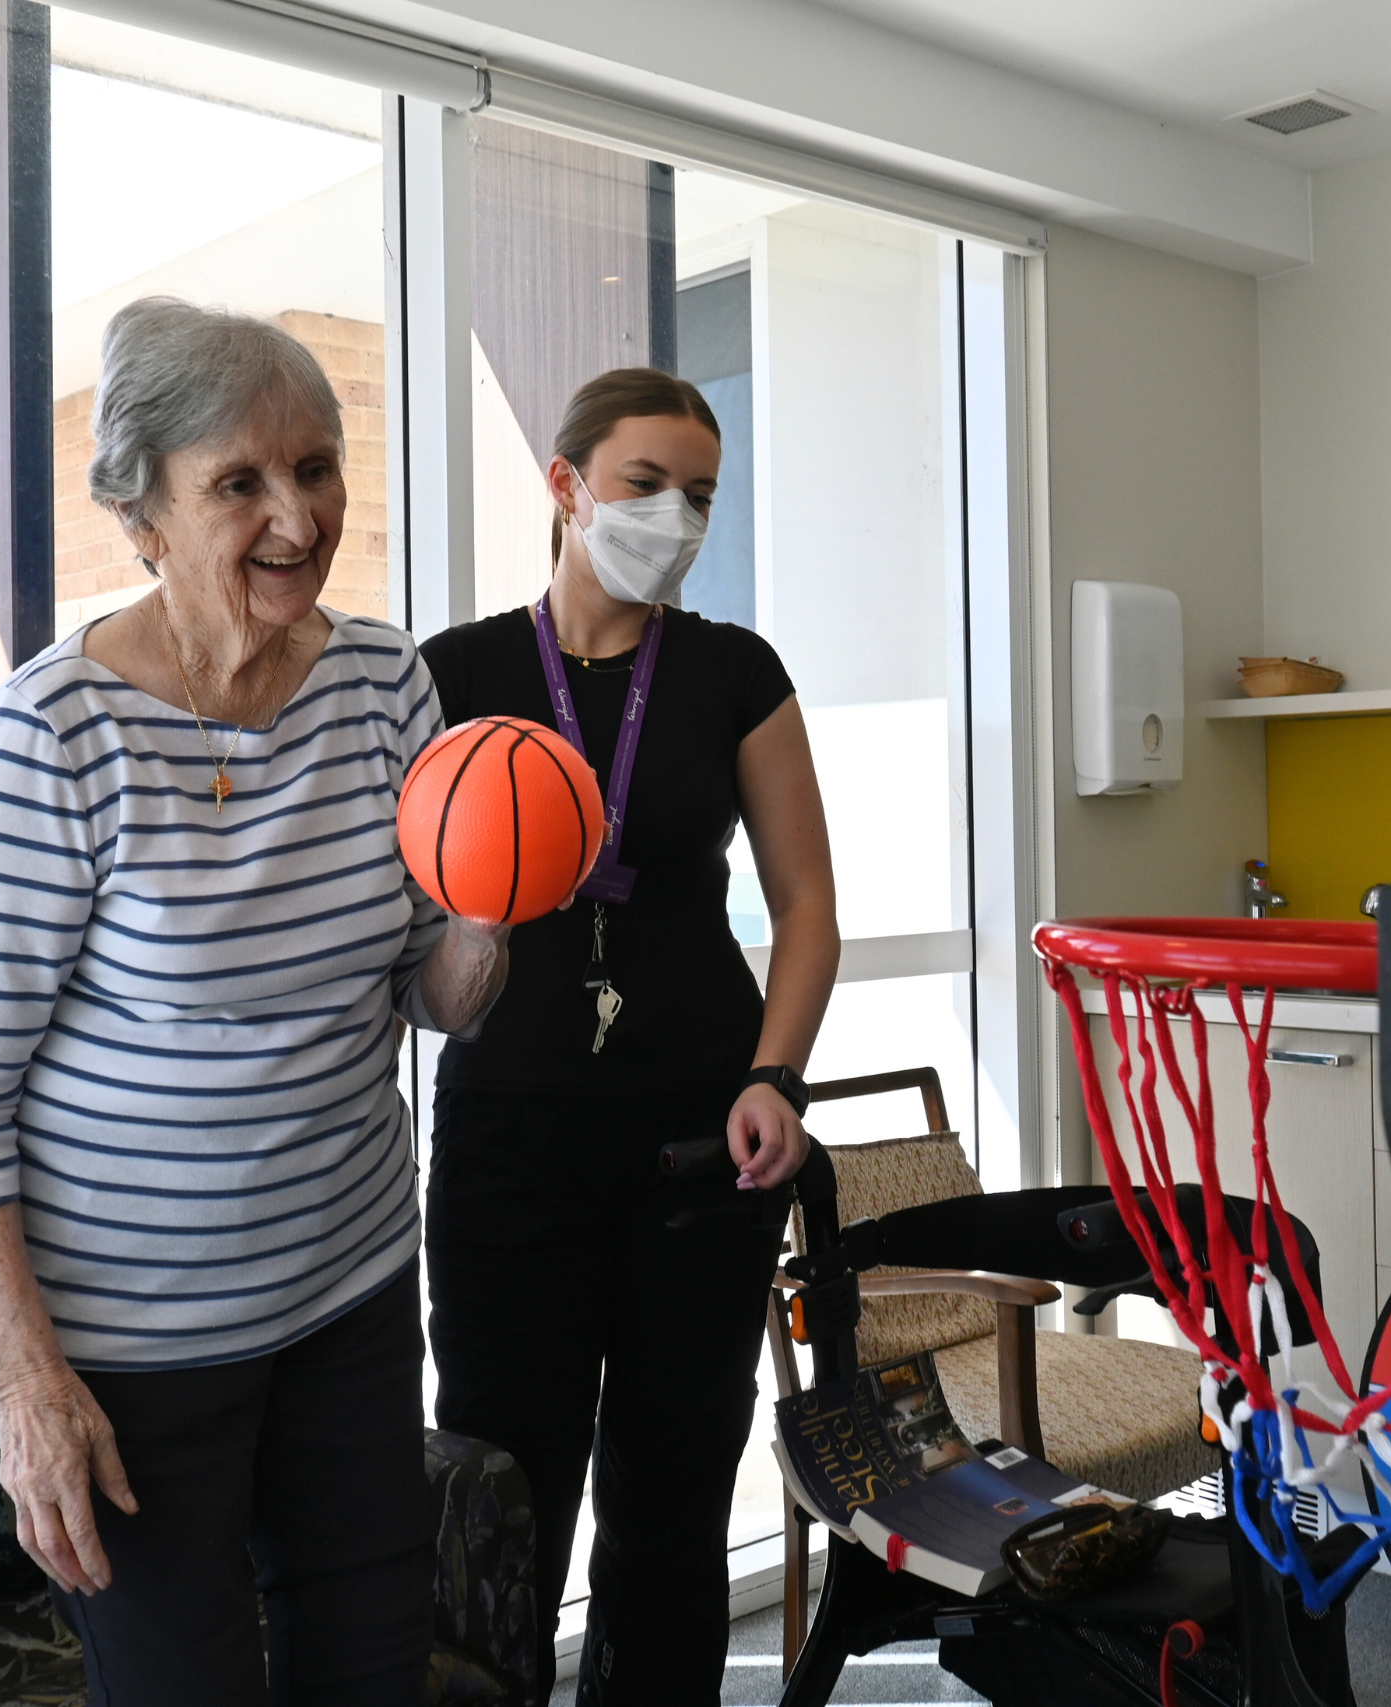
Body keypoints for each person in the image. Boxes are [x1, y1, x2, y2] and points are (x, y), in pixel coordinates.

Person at [0, 297, 507, 1705]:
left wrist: (492, 911)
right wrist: (26, 1386)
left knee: (370, 1672)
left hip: (350, 1295)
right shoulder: (55, 733)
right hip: (133, 1349)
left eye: (315, 465)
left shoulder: (382, 684)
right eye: (241, 480)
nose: (296, 513)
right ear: (143, 514)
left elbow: (436, 988)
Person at [417, 368, 839, 1702]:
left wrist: (777, 1073)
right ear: (567, 486)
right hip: (507, 1137)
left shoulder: (731, 672)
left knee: (670, 1483)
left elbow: (807, 904)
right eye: (646, 483)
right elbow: (401, 936)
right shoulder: (461, 672)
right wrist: (466, 939)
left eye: (700, 494)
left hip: (697, 1139)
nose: (676, 516)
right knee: (502, 1484)